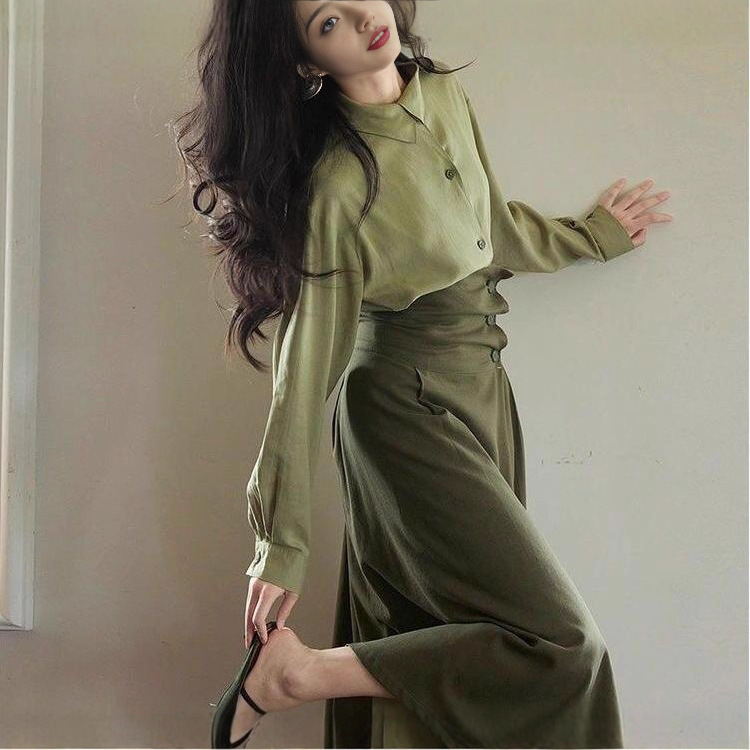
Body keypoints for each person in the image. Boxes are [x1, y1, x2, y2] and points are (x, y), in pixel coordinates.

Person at [176, 1, 672, 747]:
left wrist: (592, 236)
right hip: (404, 409)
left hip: (483, 390)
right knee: (560, 644)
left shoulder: (442, 92)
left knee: (441, 633)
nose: (360, 18)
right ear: (308, 62)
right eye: (326, 23)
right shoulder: (340, 184)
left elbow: (491, 229)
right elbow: (304, 367)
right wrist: (281, 541)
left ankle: (301, 675)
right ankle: (295, 676)